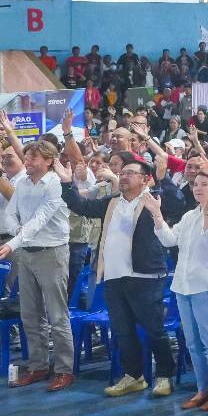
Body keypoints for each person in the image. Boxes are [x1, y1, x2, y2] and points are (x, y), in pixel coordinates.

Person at [61, 156, 179, 398]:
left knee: (154, 329)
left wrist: (161, 179)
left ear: (144, 179)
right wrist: (66, 184)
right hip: (114, 276)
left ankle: (164, 376)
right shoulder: (113, 202)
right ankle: (134, 376)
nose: (123, 176)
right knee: (122, 330)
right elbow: (83, 207)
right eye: (122, 173)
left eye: (130, 173)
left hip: (146, 276)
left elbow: (177, 203)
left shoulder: (154, 199)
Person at [0, 140, 75, 390]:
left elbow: (40, 219)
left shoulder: (55, 184)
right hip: (26, 253)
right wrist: (17, 233)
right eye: (26, 157)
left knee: (57, 315)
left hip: (52, 253)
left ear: (49, 160)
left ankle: (64, 370)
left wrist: (13, 243)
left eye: (32, 158)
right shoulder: (23, 184)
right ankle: (38, 366)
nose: (26, 161)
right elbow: (10, 213)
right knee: (30, 314)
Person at [149, 168, 208, 409]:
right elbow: (169, 239)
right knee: (193, 343)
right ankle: (203, 389)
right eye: (195, 184)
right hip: (183, 285)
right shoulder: (189, 216)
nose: (198, 188)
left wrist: (207, 214)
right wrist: (157, 214)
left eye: (204, 184)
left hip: (207, 285)